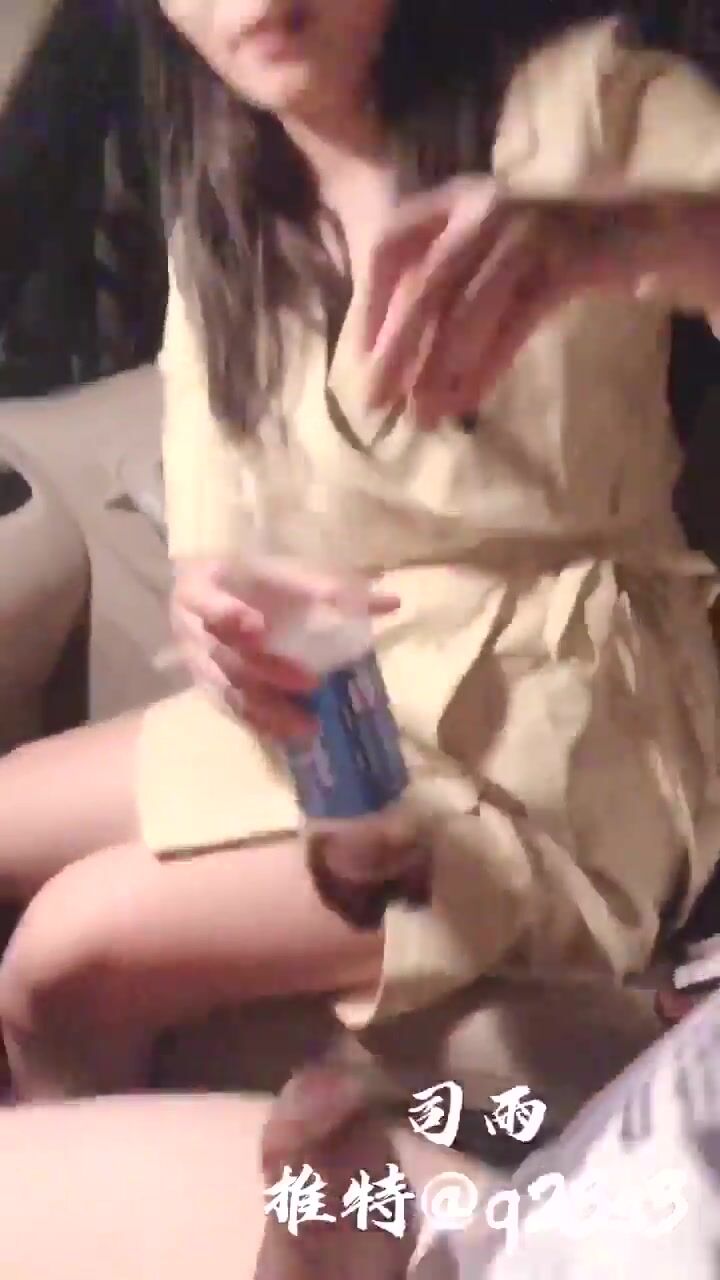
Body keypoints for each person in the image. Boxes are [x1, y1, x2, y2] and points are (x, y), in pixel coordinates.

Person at [1, 0, 720, 1101]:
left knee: (63, 958)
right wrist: (212, 612)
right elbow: (214, 508)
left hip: (557, 733)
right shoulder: (230, 196)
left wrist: (619, 238)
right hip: (343, 708)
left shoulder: (588, 99)